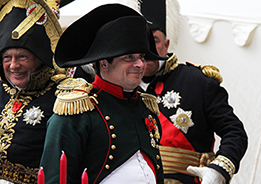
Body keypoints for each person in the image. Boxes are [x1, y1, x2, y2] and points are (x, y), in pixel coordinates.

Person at [39, 3, 166, 184]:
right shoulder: (77, 112)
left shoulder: (145, 107)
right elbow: (55, 178)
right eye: (129, 57)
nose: (140, 64)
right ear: (104, 63)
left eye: (142, 57)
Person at [139, 0, 248, 183]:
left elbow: (234, 132)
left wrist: (219, 169)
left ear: (166, 45)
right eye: (141, 42)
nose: (147, 49)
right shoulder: (123, 87)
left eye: (154, 41)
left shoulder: (197, 82)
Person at [0, 0, 63, 183]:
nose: (13, 65)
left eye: (22, 57)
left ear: (39, 58)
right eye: (7, 58)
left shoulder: (61, 96)